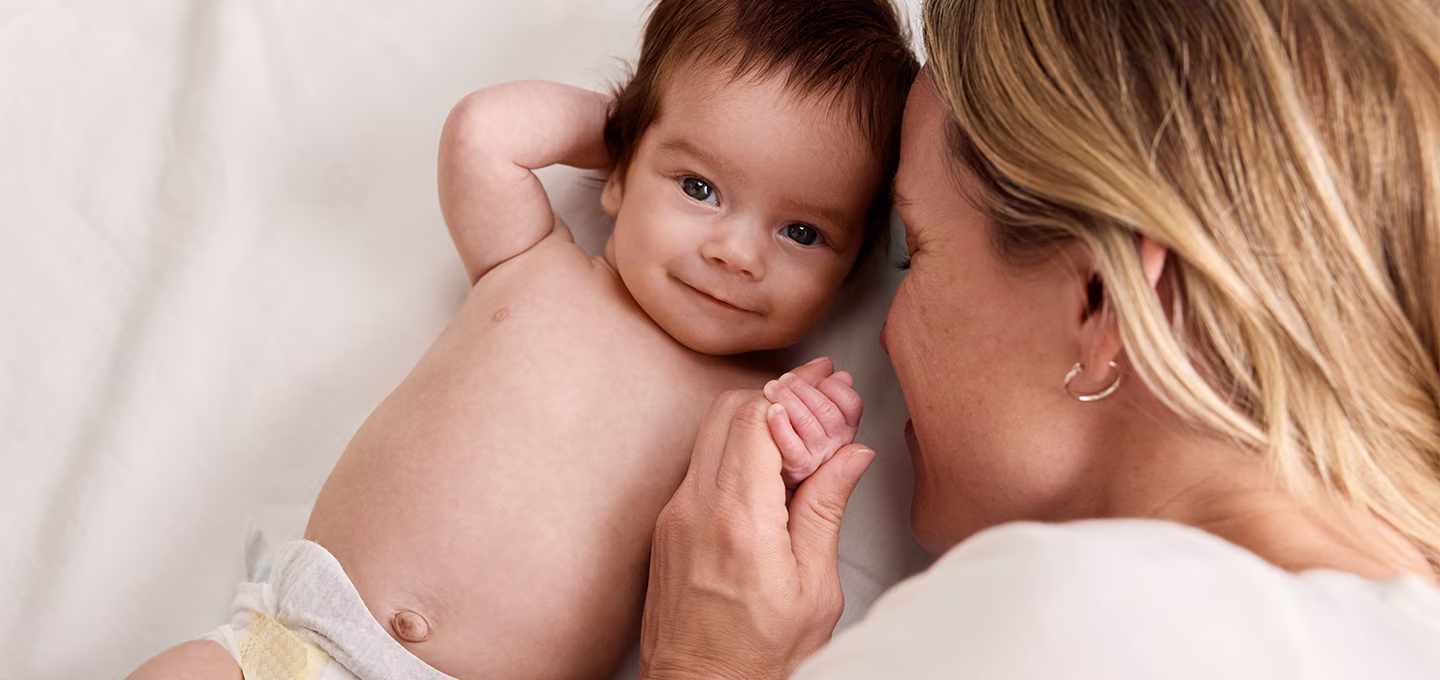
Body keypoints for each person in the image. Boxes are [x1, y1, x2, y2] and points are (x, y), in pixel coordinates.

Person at [637, 0, 1440, 677]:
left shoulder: (1061, 620)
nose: (880, 332)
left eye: (915, 250)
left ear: (1101, 299)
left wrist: (706, 659)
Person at [126, 1, 918, 679]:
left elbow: (746, 555)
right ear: (618, 169)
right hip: (292, 645)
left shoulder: (744, 415)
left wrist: (802, 442)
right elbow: (483, 134)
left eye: (802, 232)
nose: (736, 253)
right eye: (700, 187)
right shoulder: (534, 263)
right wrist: (630, 126)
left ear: (852, 268)